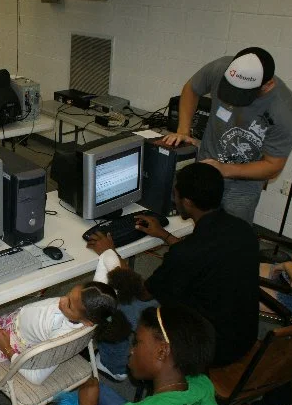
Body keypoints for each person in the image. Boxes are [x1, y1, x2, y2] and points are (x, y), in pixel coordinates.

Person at [87, 162, 260, 379]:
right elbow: (204, 255)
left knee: (115, 300)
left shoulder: (186, 254)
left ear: (187, 202)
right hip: (243, 336)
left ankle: (114, 366)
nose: (174, 199)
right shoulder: (242, 229)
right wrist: (164, 235)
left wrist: (110, 253)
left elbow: (143, 292)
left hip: (209, 348)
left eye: (176, 194)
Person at [30, 304, 219, 405]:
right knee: (98, 390)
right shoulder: (203, 385)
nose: (131, 350)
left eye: (137, 342)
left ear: (162, 352)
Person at [162, 47, 292, 225]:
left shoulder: (283, 111)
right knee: (200, 227)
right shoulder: (220, 68)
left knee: (231, 236)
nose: (234, 101)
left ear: (267, 85)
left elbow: (273, 167)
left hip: (243, 184)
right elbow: (191, 88)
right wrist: (183, 130)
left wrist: (225, 169)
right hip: (207, 167)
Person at [0, 263, 138, 385]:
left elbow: (36, 377)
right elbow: (106, 257)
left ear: (87, 322)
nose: (62, 300)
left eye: (69, 305)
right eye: (69, 293)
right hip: (14, 319)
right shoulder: (95, 296)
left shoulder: (63, 337)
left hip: (15, 343)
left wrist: (6, 348)